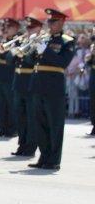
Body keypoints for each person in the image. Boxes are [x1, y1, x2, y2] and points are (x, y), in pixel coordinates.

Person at [27, 9, 76, 171]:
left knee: (54, 124)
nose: (50, 25)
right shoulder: (44, 39)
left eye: (53, 21)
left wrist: (44, 50)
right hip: (38, 85)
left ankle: (54, 159)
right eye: (48, 21)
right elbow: (30, 61)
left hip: (54, 88)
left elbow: (62, 63)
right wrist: (32, 47)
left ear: (61, 22)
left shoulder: (67, 41)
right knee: (40, 123)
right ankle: (44, 156)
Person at [11, 16, 42, 156]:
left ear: (39, 28)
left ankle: (30, 146)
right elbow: (13, 61)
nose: (29, 30)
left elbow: (31, 61)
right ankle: (22, 144)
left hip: (30, 82)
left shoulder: (39, 43)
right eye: (28, 28)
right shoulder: (23, 41)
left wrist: (29, 47)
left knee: (31, 117)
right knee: (20, 116)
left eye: (32, 28)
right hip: (19, 82)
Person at [0, 18, 19, 137]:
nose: (6, 30)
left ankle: (12, 129)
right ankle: (3, 128)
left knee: (11, 103)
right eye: (6, 28)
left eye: (9, 28)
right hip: (0, 73)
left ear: (15, 29)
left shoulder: (17, 42)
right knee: (1, 103)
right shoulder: (4, 41)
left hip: (10, 74)